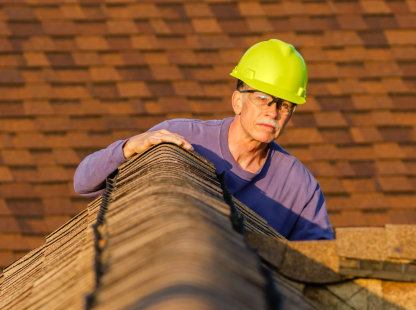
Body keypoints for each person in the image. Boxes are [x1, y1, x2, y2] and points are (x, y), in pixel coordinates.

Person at [73, 39, 334, 241]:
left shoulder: (300, 187)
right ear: (237, 101)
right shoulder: (179, 138)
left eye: (285, 105)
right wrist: (129, 147)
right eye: (263, 99)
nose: (273, 112)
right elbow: (83, 182)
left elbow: (322, 265)